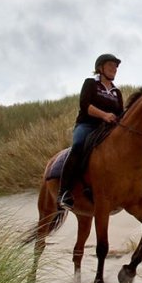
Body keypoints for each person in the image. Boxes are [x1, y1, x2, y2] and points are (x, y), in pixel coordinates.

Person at [58, 53, 124, 209]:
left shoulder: (117, 92)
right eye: (110, 65)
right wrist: (104, 115)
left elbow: (121, 114)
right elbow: (85, 105)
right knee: (78, 146)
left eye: (115, 67)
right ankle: (64, 192)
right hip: (87, 126)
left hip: (108, 129)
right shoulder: (90, 83)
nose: (114, 69)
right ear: (100, 68)